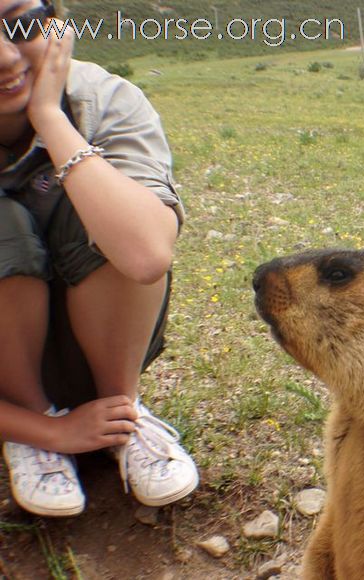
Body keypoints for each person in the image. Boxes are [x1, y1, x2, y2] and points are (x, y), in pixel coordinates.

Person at [0, 0, 198, 517]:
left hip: (107, 344)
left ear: (57, 20)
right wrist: (48, 429)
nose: (4, 56)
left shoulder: (104, 101)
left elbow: (146, 253)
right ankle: (29, 427)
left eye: (21, 24)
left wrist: (49, 118)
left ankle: (120, 415)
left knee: (105, 201)